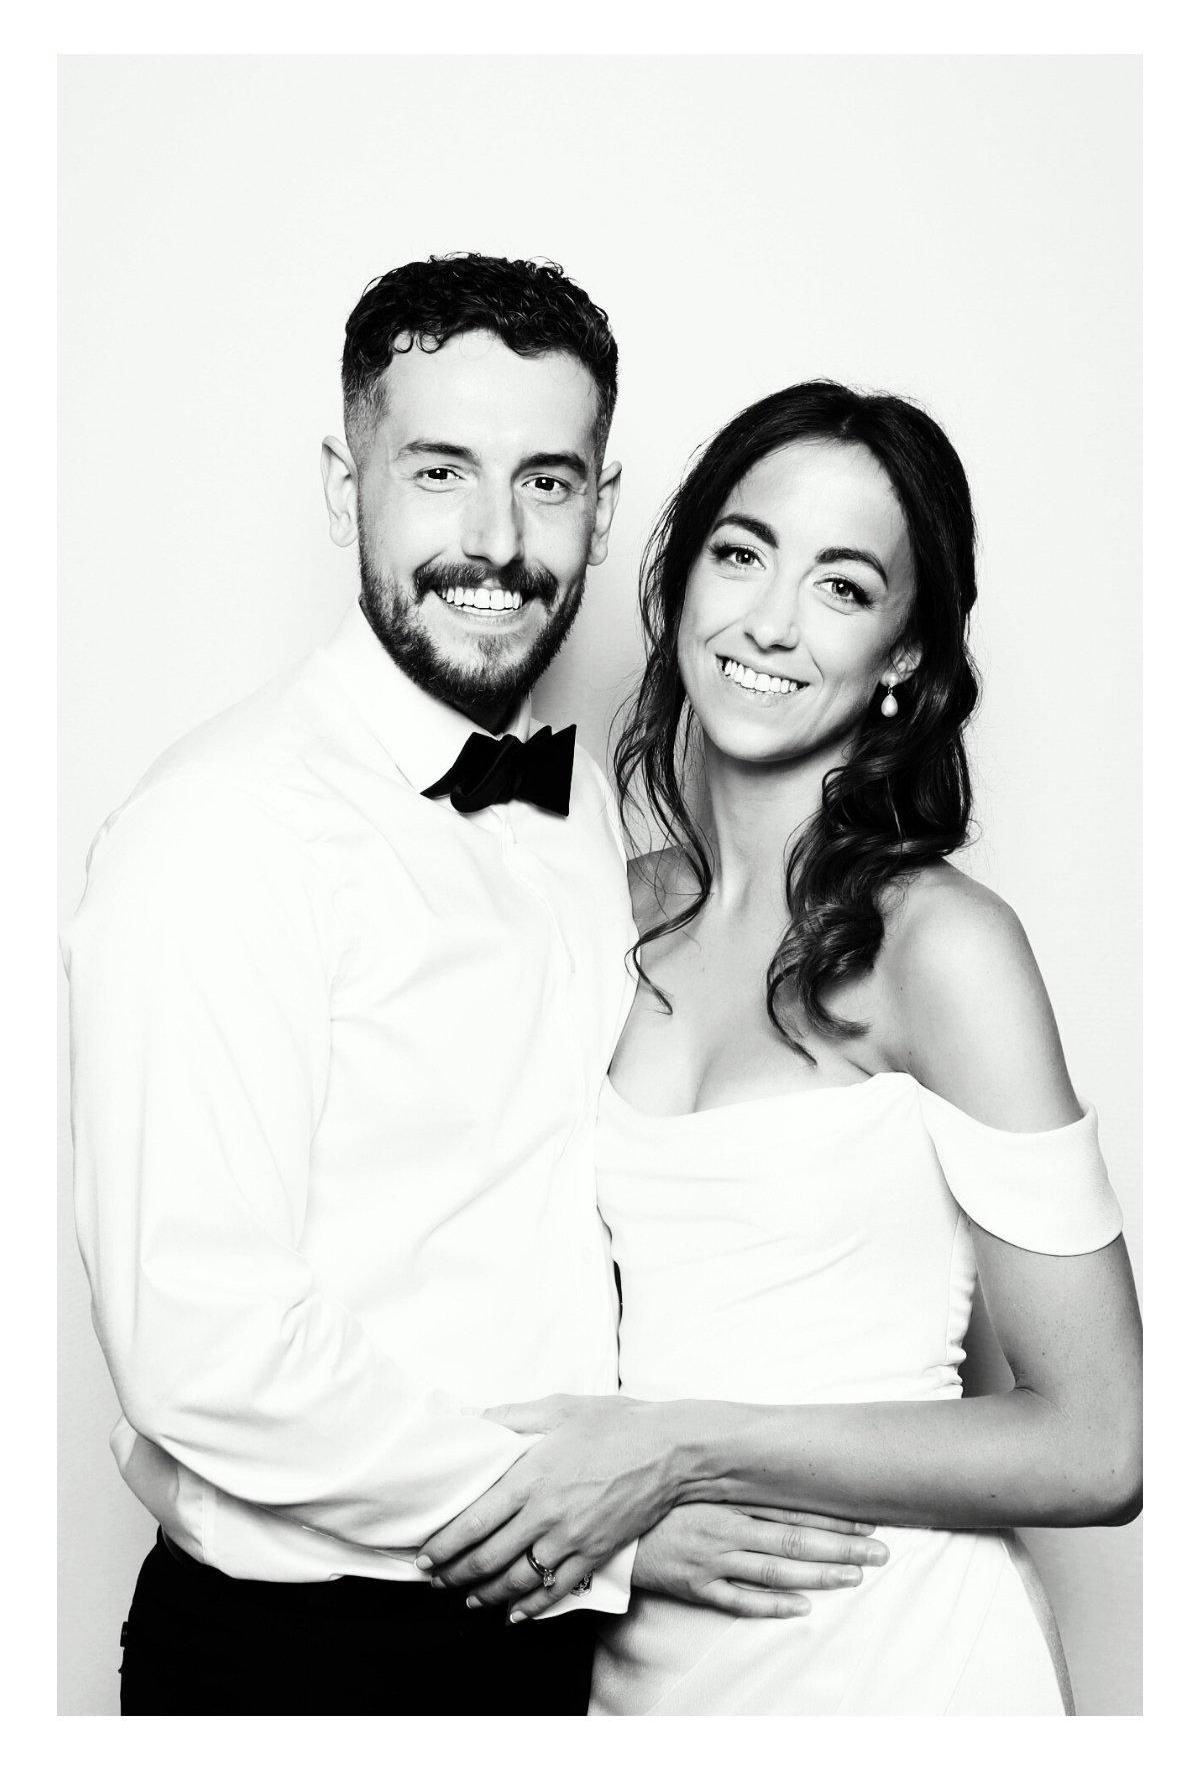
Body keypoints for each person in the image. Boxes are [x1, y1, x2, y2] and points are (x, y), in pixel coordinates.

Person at [62, 265, 885, 1717]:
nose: (495, 544)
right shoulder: (223, 830)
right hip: (311, 1659)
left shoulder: (602, 836)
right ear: (346, 484)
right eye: (439, 472)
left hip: (576, 1661)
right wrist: (607, 1526)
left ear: (605, 504)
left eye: (547, 482)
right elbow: (200, 1338)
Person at [414, 381, 1144, 1714]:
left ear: (907, 658)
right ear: (682, 584)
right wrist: (625, 1513)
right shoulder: (593, 913)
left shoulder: (942, 947)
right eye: (742, 554)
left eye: (844, 586)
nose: (769, 620)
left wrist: (679, 1447)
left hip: (905, 1669)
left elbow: (1099, 1444)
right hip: (642, 1659)